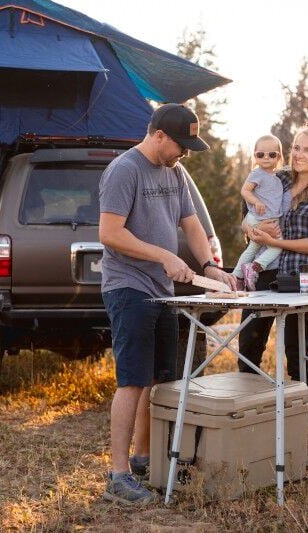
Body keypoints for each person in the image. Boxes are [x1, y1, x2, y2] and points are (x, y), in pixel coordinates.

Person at [98, 103, 237, 505]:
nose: (185, 153)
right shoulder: (125, 170)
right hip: (129, 287)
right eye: (181, 144)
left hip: (163, 290)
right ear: (158, 134)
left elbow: (191, 224)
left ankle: (145, 459)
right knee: (131, 380)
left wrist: (210, 267)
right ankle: (118, 475)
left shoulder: (176, 173)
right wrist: (163, 256)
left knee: (159, 377)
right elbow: (109, 233)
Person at [238, 126, 308, 402]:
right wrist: (252, 231)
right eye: (296, 147)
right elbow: (246, 215)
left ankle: (298, 421)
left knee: (296, 354)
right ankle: (252, 416)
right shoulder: (276, 178)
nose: (299, 154)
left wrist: (277, 243)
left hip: (301, 277)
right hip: (264, 273)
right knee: (248, 349)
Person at [232, 134, 285, 291]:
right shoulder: (257, 173)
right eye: (260, 154)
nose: (266, 158)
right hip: (260, 219)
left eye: (272, 154)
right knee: (276, 247)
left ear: (279, 156)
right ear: (255, 156)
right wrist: (256, 202)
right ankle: (255, 268)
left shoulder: (275, 176)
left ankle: (237, 276)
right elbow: (245, 191)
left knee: (253, 248)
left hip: (262, 219)